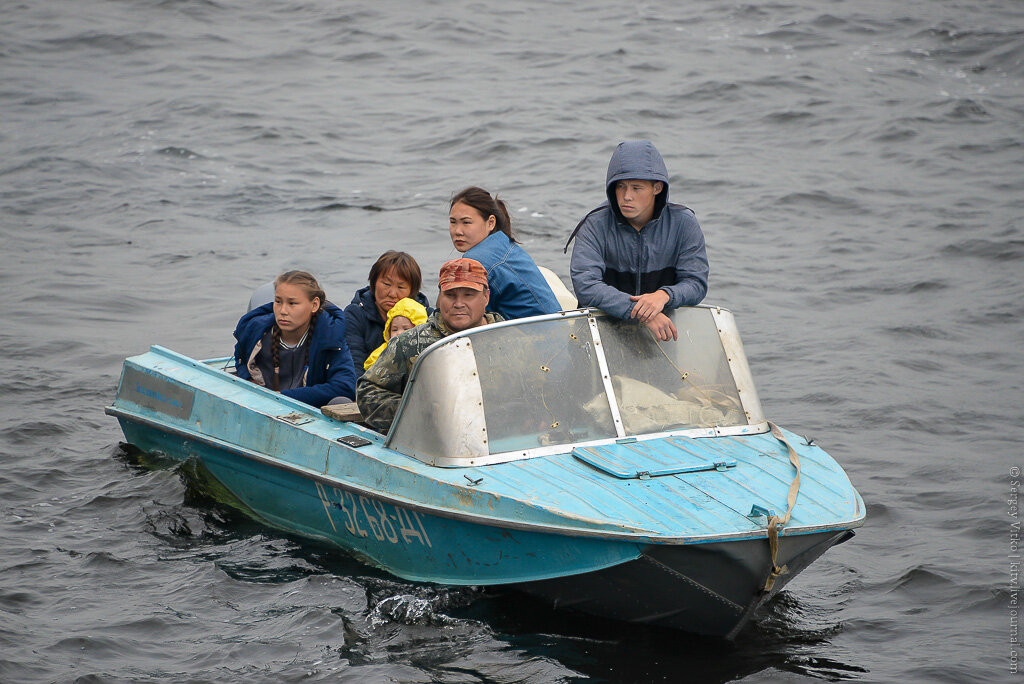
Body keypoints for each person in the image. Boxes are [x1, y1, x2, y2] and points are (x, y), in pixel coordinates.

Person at [565, 140, 709, 342]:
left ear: (657, 188)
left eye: (636, 188)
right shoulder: (594, 224)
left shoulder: (684, 223)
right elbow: (586, 285)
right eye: (620, 187)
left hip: (662, 337)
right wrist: (640, 311)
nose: (626, 196)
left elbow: (696, 282)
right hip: (600, 336)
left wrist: (663, 295)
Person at [356, 258, 502, 433]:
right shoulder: (409, 343)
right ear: (440, 297)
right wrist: (419, 411)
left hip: (505, 441)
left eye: (468, 295)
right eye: (450, 295)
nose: (458, 304)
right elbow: (367, 392)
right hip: (429, 445)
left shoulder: (511, 340)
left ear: (486, 297)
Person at [233, 270, 357, 408]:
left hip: (307, 415)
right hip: (259, 407)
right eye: (278, 301)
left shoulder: (330, 336)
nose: (283, 311)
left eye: (292, 303)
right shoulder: (256, 330)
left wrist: (283, 397)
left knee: (341, 402)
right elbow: (240, 358)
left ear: (314, 305)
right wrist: (248, 379)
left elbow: (345, 386)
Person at [449, 186, 561, 320]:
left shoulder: (477, 260)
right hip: (556, 327)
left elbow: (463, 319)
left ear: (491, 223)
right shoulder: (503, 244)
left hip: (534, 335)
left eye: (466, 222)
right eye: (453, 222)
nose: (457, 231)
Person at [344, 251, 432, 373]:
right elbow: (354, 363)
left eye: (401, 287)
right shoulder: (355, 315)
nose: (392, 294)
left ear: (412, 291)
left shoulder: (428, 318)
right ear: (374, 283)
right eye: (386, 284)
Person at [362, 297, 429, 371]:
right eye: (394, 329)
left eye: (406, 329)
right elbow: (369, 366)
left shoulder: (425, 351)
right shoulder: (385, 350)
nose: (399, 333)